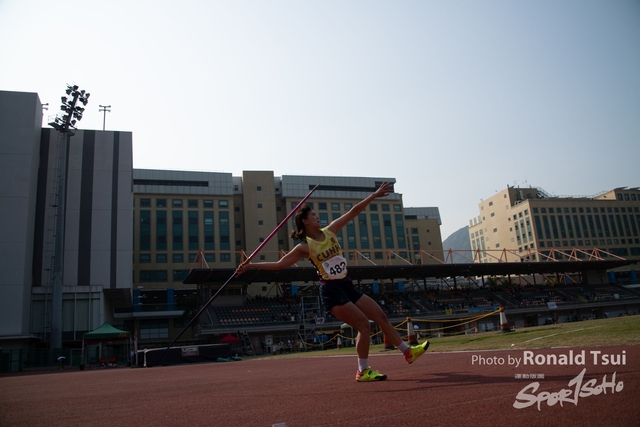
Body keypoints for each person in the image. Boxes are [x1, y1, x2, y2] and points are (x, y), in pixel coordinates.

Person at [237, 182, 429, 382]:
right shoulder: (305, 247)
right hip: (332, 292)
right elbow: (279, 265)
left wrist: (373, 195)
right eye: (313, 215)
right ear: (305, 221)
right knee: (364, 325)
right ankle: (362, 371)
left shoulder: (331, 231)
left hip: (347, 285)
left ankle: (407, 352)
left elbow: (354, 212)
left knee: (380, 316)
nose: (317, 216)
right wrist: (252, 265)